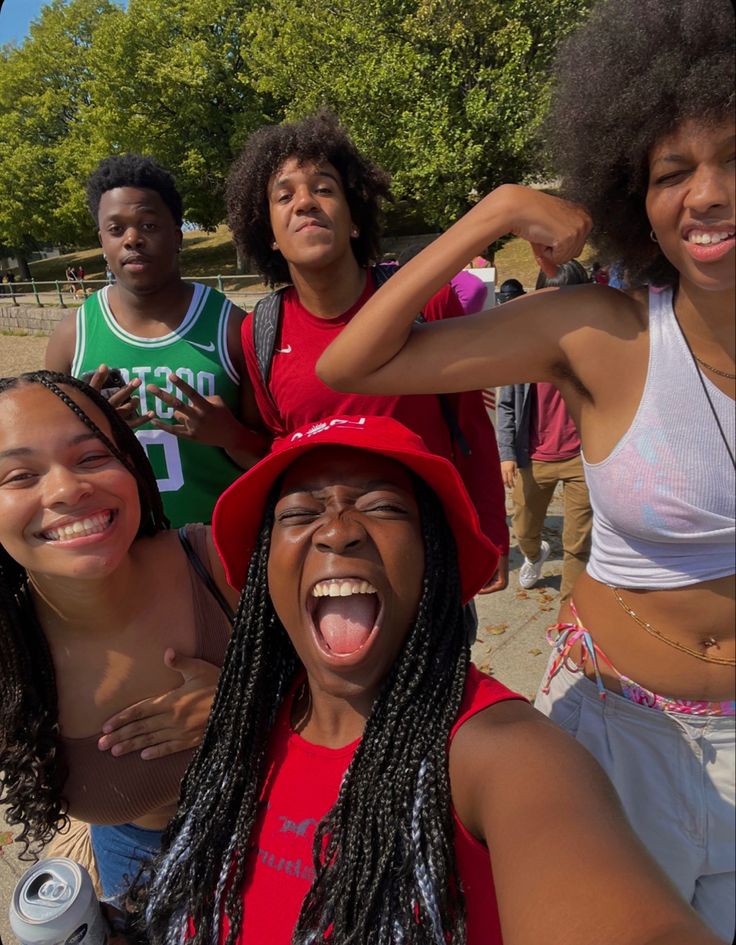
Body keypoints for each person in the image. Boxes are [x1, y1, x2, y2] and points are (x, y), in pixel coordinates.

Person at [316, 0, 735, 937]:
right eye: (674, 172)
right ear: (640, 202)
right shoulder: (598, 331)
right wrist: (499, 211)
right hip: (612, 739)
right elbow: (354, 363)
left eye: (734, 158)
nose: (706, 193)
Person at [132, 415, 718, 945]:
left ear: (433, 559)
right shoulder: (239, 729)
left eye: (384, 507)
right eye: (300, 513)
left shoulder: (505, 756)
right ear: (264, 569)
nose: (338, 530)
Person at [225, 112, 509, 592]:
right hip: (327, 562)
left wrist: (491, 538)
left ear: (355, 220)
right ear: (269, 234)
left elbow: (471, 429)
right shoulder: (260, 332)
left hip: (427, 552)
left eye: (324, 188)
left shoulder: (427, 301)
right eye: (284, 194)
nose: (305, 204)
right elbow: (282, 446)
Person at [0, 371, 238, 900]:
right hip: (132, 861)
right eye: (18, 476)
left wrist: (245, 701)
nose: (67, 489)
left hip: (281, 833)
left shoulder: (223, 563)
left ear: (132, 465)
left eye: (91, 457)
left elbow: (371, 694)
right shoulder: (7, 652)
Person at [45, 154, 265, 527]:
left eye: (148, 224)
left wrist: (231, 435)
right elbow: (48, 461)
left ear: (177, 235)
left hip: (219, 547)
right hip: (119, 550)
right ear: (102, 240)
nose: (132, 239)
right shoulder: (73, 335)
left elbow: (269, 456)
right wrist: (91, 429)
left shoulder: (230, 326)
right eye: (116, 229)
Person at [497, 260, 593, 604]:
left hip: (583, 457)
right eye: (554, 296)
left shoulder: (596, 342)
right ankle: (535, 555)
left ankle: (571, 612)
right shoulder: (524, 344)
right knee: (524, 529)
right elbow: (506, 403)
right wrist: (506, 454)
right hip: (533, 455)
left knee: (578, 543)